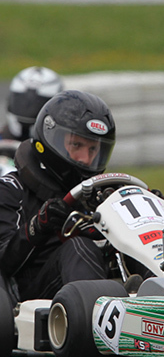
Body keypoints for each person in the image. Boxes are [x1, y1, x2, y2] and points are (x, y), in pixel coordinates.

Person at [0, 90, 116, 303]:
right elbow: (4, 262)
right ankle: (99, 323)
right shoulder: (11, 189)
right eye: (76, 145)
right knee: (78, 247)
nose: (86, 159)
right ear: (50, 140)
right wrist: (37, 228)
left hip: (95, 289)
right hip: (28, 300)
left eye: (93, 149)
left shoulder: (99, 196)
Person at [1, 66, 64, 142]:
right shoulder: (3, 138)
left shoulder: (61, 145)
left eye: (38, 103)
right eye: (22, 102)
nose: (27, 109)